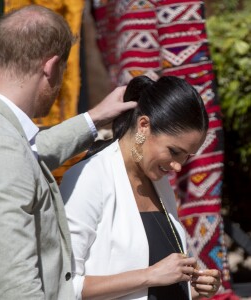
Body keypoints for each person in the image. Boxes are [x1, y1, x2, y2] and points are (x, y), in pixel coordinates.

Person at [0, 5, 137, 300]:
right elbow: (16, 283)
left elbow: (30, 154)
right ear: (50, 67)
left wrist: (95, 117)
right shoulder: (0, 149)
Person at [60, 75, 222, 300]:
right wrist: (150, 275)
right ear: (144, 125)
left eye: (186, 156)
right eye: (174, 151)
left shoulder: (158, 181)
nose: (177, 166)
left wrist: (195, 288)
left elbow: (153, 288)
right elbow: (64, 285)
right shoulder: (90, 177)